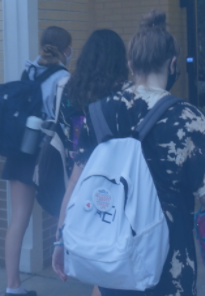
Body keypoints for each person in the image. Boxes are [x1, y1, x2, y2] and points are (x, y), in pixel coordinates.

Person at [52, 11, 205, 296]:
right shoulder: (189, 118)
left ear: (131, 65)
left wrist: (61, 241)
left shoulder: (100, 112)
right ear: (172, 65)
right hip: (168, 260)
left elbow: (75, 182)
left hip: (113, 257)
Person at [55, 29, 129, 296]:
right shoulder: (122, 95)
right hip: (116, 179)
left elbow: (68, 135)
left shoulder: (71, 90)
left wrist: (60, 238)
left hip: (81, 174)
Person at [3, 26, 72, 296]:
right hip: (47, 157)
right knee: (63, 212)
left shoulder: (28, 69)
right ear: (66, 49)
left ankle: (12, 286)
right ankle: (71, 270)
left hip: (20, 152)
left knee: (18, 218)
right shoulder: (63, 78)